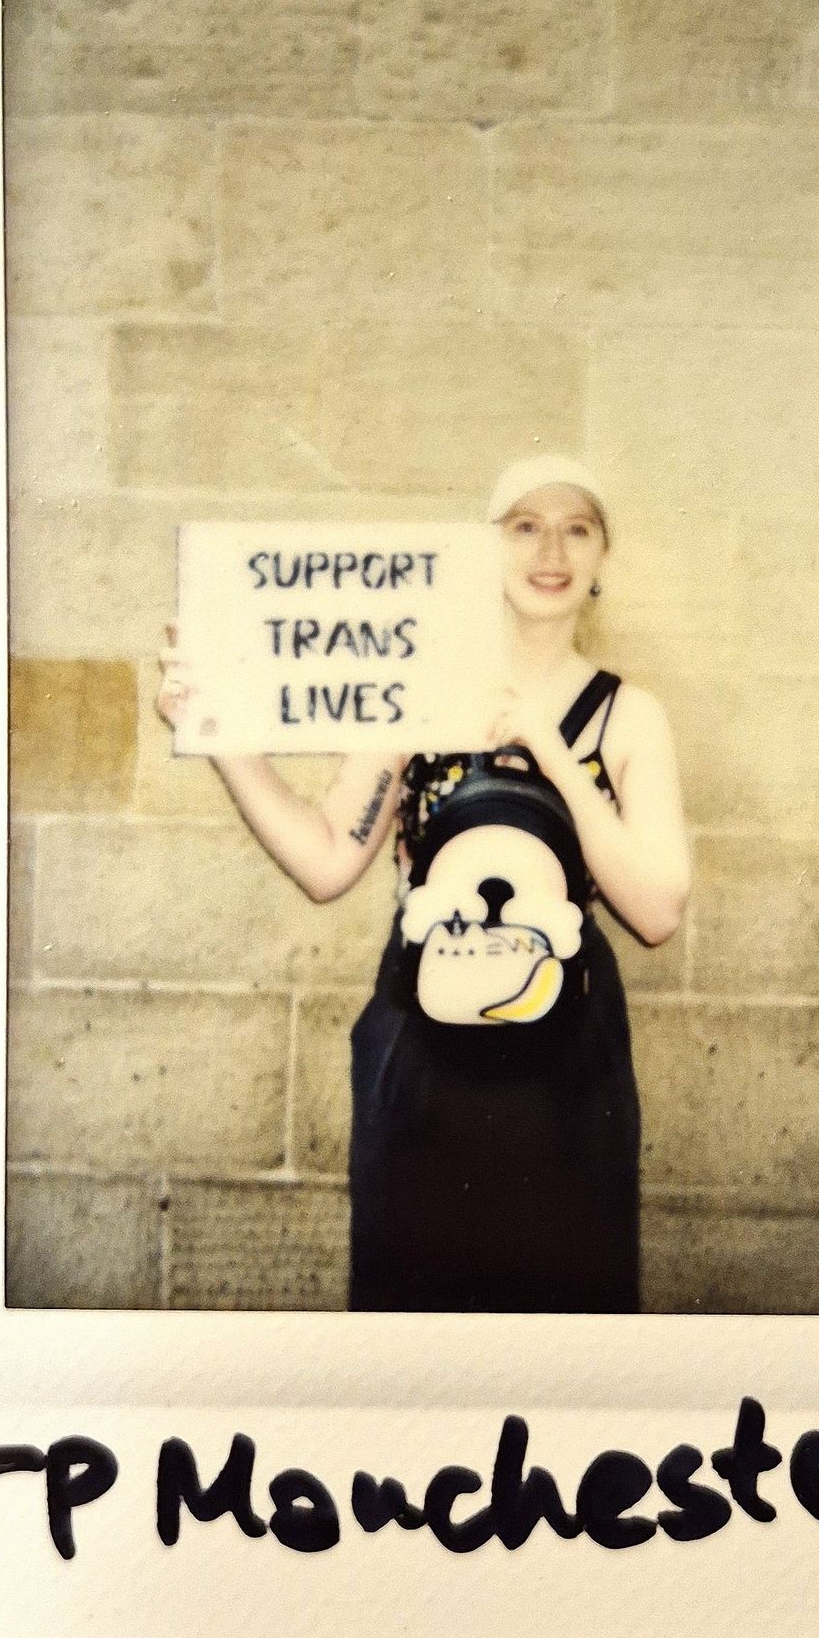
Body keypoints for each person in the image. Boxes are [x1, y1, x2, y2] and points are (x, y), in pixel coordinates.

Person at [157, 456, 690, 1313]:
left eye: (577, 529)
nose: (551, 550)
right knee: (414, 1305)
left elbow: (657, 909)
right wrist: (218, 733)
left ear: (600, 557)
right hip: (424, 1056)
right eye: (524, 526)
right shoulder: (417, 693)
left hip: (566, 1065)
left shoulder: (630, 715)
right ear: (486, 547)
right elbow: (328, 861)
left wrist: (549, 747)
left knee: (566, 1312)